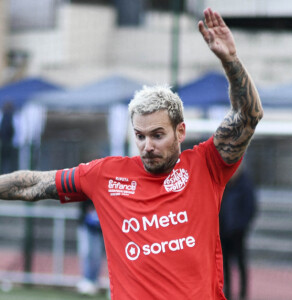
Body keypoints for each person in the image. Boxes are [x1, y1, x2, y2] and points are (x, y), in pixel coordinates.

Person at [0, 8, 263, 300]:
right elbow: (32, 184)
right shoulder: (105, 175)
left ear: (180, 132)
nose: (147, 145)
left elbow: (248, 116)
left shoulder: (206, 165)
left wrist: (230, 61)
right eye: (140, 136)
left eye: (157, 135)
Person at [220, 165, 257, 300]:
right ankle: (228, 292)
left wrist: (241, 226)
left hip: (238, 232)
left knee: (241, 263)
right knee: (225, 264)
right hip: (223, 231)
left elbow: (250, 207)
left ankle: (242, 293)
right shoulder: (223, 184)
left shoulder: (245, 183)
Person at [76, 200, 105, 295]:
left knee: (96, 256)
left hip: (99, 229)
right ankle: (86, 279)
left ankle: (94, 280)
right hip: (86, 226)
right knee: (87, 253)